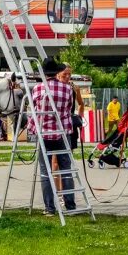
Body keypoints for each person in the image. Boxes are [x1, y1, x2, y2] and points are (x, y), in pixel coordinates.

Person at [29, 58, 76, 216]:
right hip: (62, 133)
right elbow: (69, 107)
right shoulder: (68, 89)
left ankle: (49, 208)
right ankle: (70, 206)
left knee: (45, 171)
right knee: (65, 169)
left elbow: (35, 110)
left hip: (44, 134)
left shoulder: (37, 89)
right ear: (57, 72)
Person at [52, 64, 85, 194]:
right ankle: (58, 192)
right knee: (55, 162)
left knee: (66, 161)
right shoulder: (53, 87)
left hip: (69, 127)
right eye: (64, 74)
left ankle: (66, 193)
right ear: (57, 74)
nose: (67, 77)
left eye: (69, 74)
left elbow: (81, 103)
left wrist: (79, 117)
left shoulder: (73, 88)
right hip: (55, 127)